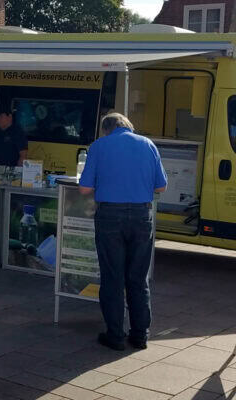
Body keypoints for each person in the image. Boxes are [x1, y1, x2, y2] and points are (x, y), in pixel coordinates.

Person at [79, 113, 167, 351]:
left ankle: (115, 335)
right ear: (128, 126)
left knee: (112, 277)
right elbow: (161, 186)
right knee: (138, 278)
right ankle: (140, 335)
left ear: (106, 129)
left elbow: (85, 188)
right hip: (141, 216)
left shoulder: (99, 146)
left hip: (110, 217)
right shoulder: (148, 145)